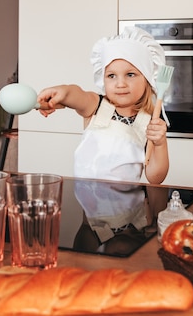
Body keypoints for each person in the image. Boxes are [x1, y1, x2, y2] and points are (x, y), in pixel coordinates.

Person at [36, 27, 169, 246]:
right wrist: (63, 91)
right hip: (89, 223)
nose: (120, 83)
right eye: (111, 75)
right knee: (85, 269)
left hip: (130, 225)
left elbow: (156, 177)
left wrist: (160, 143)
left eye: (130, 74)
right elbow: (77, 95)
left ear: (147, 79)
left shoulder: (149, 122)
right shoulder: (97, 107)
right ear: (103, 79)